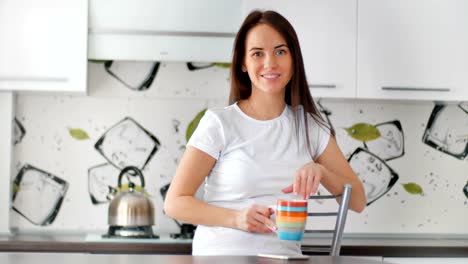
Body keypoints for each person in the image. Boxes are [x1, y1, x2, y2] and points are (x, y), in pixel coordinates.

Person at [164, 10, 366, 256]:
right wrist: (237, 219)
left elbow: (357, 201)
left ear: (294, 59)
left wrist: (321, 172)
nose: (270, 63)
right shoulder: (219, 123)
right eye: (258, 53)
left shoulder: (310, 127)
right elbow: (175, 203)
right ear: (243, 63)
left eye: (280, 51)